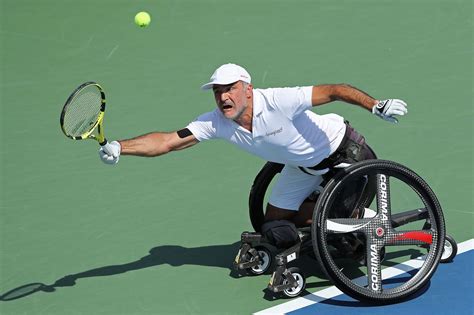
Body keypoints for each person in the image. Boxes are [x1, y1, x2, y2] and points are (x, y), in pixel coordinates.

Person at [99, 63, 407, 248]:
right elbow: (167, 141)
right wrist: (119, 147)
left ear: (248, 89)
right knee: (273, 224)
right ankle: (327, 214)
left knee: (329, 224)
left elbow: (336, 89)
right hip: (303, 168)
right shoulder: (215, 121)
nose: (223, 97)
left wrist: (376, 105)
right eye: (217, 91)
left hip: (347, 157)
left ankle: (367, 222)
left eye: (230, 89)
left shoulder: (279, 100)